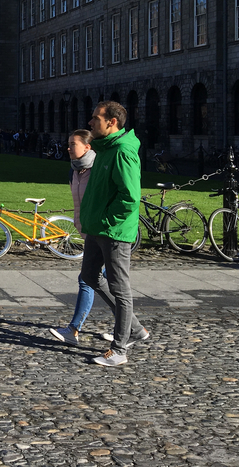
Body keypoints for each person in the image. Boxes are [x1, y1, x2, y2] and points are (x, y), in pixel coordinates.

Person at [79, 101, 149, 367]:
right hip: (98, 228)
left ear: (112, 122)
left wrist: (108, 221)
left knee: (121, 289)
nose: (90, 123)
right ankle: (135, 328)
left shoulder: (121, 151)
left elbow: (129, 197)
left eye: (96, 118)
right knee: (89, 276)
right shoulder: (105, 148)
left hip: (113, 231)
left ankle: (119, 349)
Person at [48, 129, 96, 345]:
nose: (68, 148)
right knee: (110, 284)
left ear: (87, 147)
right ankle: (131, 328)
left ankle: (73, 329)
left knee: (88, 280)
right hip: (86, 232)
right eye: (68, 143)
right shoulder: (74, 171)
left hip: (101, 233)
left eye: (73, 144)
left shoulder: (97, 170)